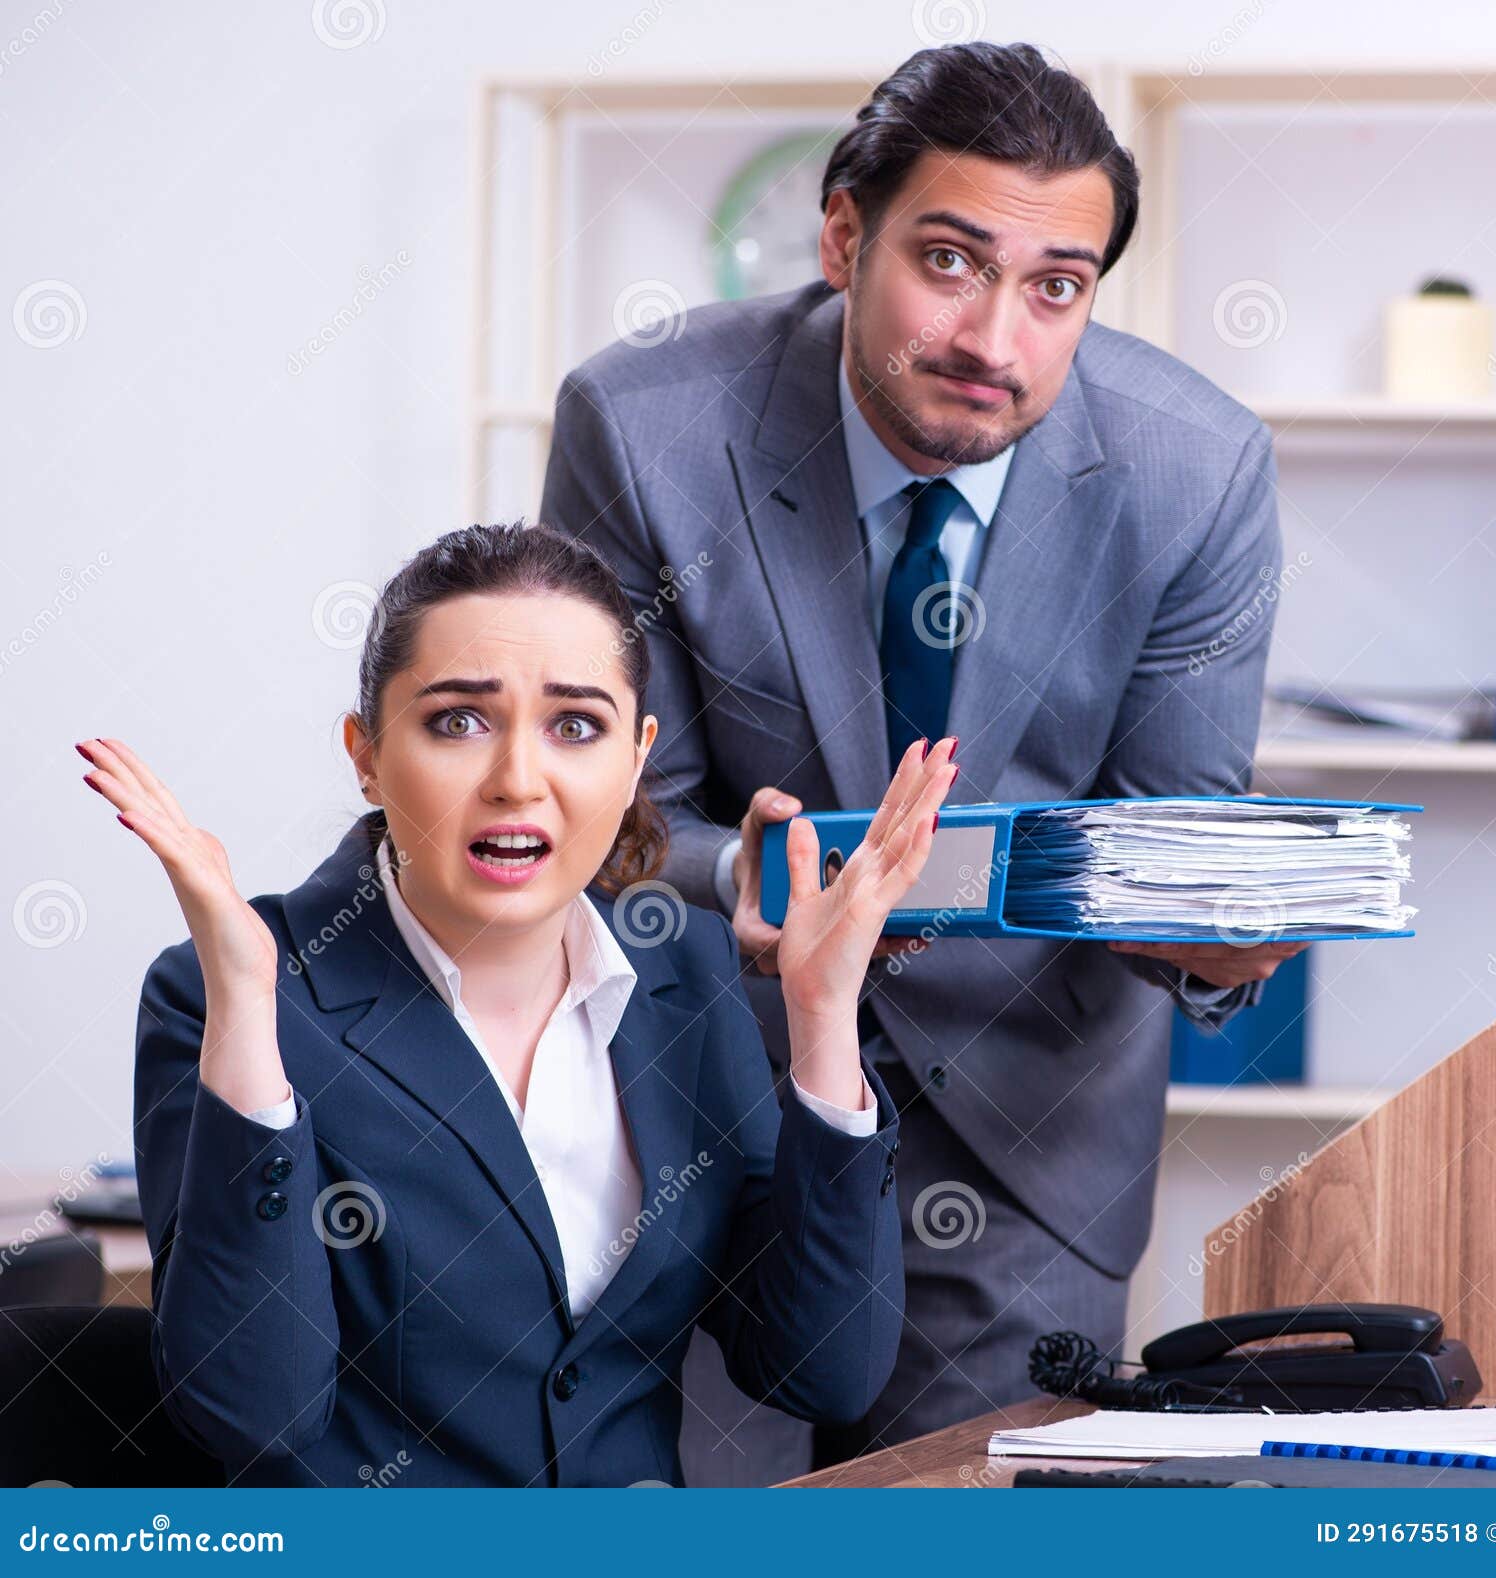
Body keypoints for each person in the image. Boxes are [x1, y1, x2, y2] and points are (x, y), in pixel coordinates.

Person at [539, 41, 1305, 1480]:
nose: (994, 340)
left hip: (1029, 1140)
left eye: (1056, 286)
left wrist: (1219, 936)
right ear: (844, 233)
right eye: (948, 261)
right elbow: (609, 810)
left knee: (968, 1528)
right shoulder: (643, 427)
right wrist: (759, 878)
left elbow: (1172, 831)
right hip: (705, 1114)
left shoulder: (1198, 470)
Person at [85, 522, 957, 1487]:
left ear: (635, 760)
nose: (516, 781)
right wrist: (249, 1020)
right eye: (458, 721)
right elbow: (253, 1412)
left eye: (575, 726)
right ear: (366, 754)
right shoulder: (226, 990)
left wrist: (825, 1019)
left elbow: (818, 1372)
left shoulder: (686, 975)